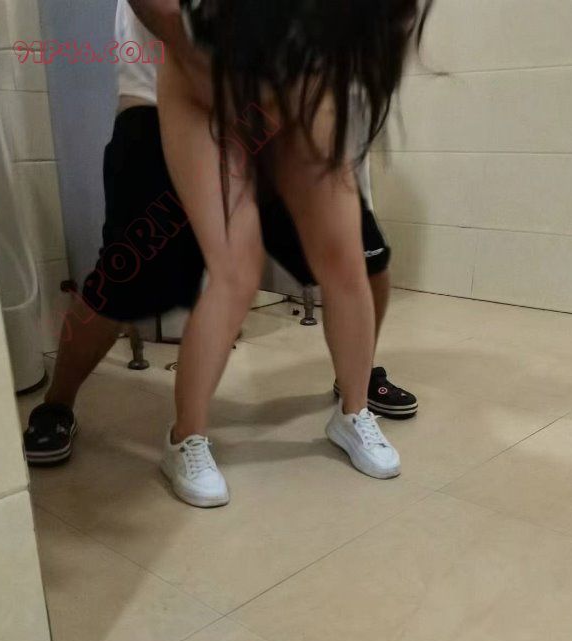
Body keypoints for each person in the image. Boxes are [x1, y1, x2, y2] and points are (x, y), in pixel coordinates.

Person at [24, 0, 421, 500]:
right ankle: (62, 403)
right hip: (176, 85)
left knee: (361, 258)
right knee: (130, 278)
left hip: (287, 91)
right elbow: (164, 15)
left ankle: (354, 396)